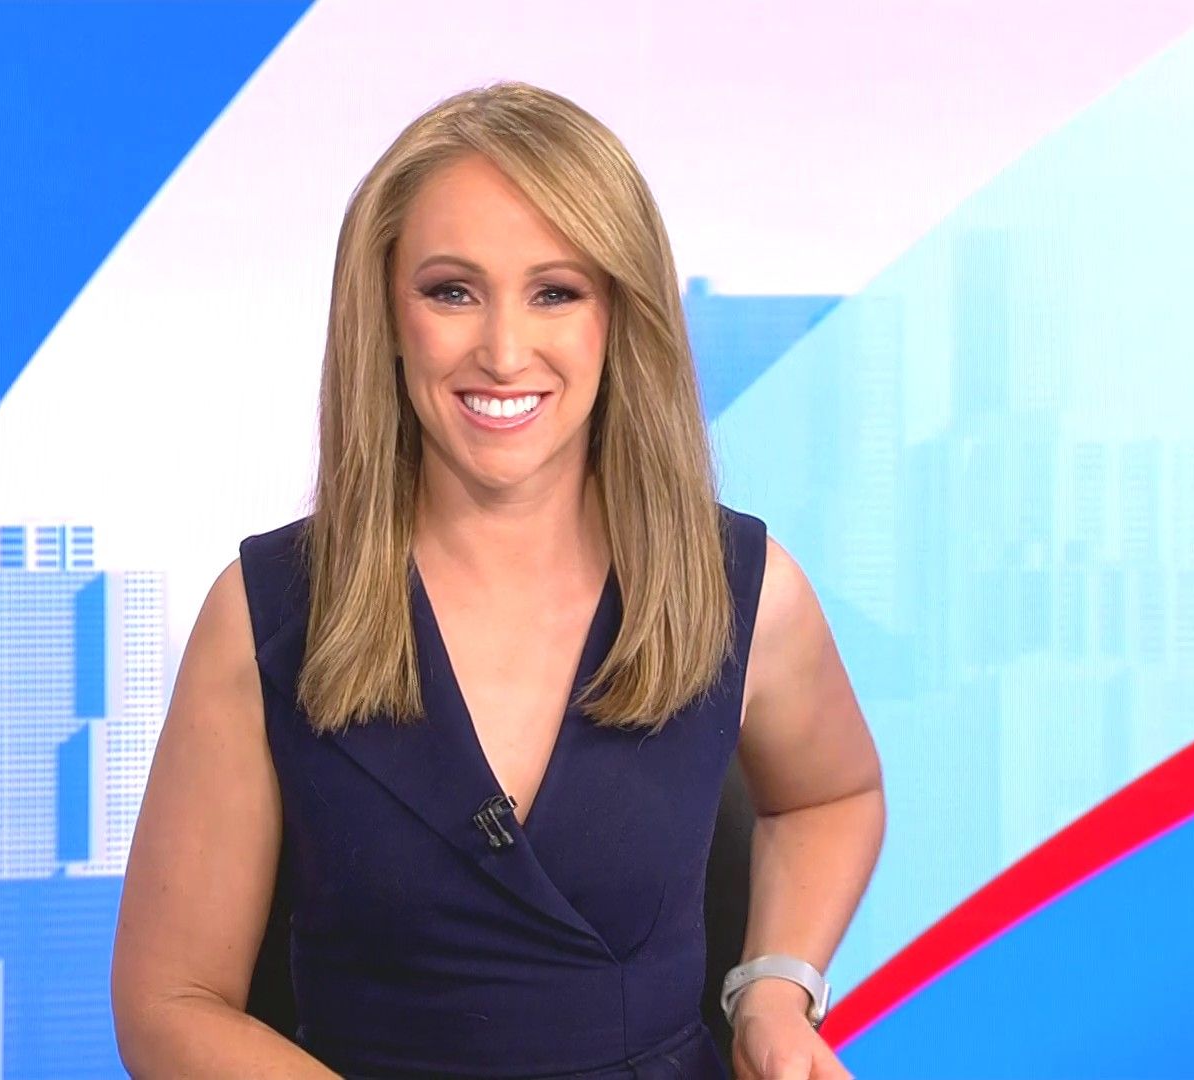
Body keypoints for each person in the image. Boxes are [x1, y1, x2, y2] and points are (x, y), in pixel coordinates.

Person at [111, 80, 885, 1080]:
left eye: (555, 292)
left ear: (620, 316)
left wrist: (774, 993)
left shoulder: (740, 589)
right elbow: (168, 1003)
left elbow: (831, 798)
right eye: (452, 292)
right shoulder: (265, 614)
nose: (505, 351)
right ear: (386, 316)